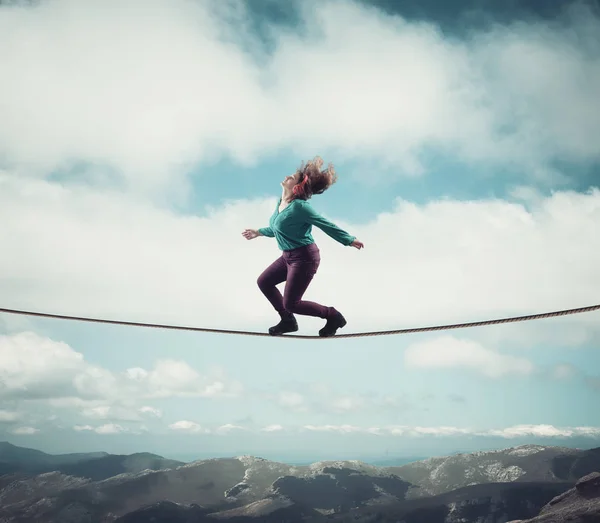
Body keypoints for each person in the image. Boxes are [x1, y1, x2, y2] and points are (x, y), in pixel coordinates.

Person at [242, 157, 364, 337]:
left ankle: (333, 316)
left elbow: (325, 224)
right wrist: (259, 232)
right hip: (288, 257)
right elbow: (278, 228)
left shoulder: (300, 207)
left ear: (298, 186)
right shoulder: (282, 203)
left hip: (305, 258)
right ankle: (288, 321)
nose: (286, 176)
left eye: (291, 177)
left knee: (291, 303)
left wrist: (348, 239)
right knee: (264, 282)